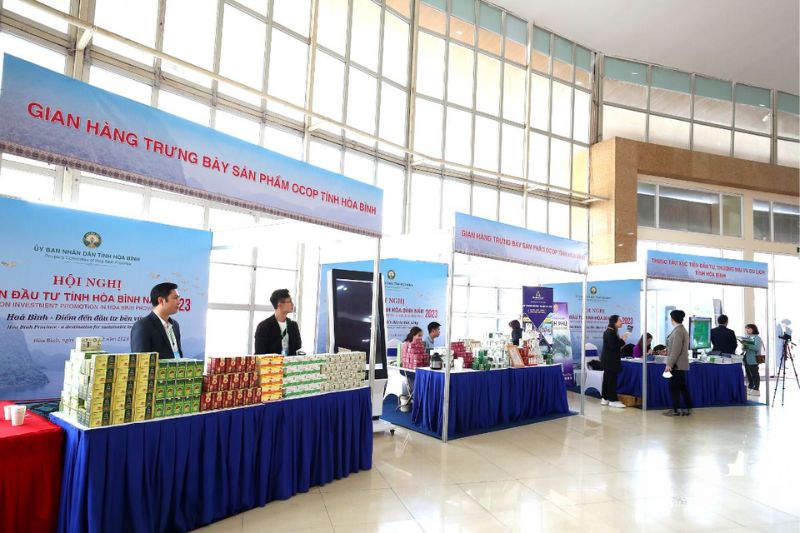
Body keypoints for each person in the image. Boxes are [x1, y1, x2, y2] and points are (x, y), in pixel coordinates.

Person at [130, 282, 184, 360]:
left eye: (179, 298)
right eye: (175, 298)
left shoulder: (175, 325)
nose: (179, 302)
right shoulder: (143, 326)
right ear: (161, 300)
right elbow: (141, 362)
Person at [254, 289, 301, 355]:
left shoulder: (293, 325)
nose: (292, 304)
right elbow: (259, 352)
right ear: (280, 304)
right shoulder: (264, 326)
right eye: (289, 301)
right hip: (271, 364)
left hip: (290, 363)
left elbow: (298, 346)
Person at [664, 310, 693, 416]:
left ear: (673, 319)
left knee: (674, 388)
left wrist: (669, 364)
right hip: (680, 364)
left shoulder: (678, 331)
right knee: (681, 386)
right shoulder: (680, 330)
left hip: (677, 365)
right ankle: (688, 406)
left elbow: (676, 350)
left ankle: (675, 409)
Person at [600, 315, 630, 408]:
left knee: (607, 379)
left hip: (609, 359)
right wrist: (623, 340)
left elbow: (614, 345)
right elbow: (614, 347)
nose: (622, 322)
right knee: (611, 380)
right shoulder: (610, 332)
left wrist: (620, 340)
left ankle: (605, 398)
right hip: (610, 360)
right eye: (620, 321)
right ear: (614, 322)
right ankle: (613, 400)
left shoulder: (612, 331)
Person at [741, 324, 762, 396]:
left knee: (755, 374)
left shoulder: (757, 338)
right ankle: (750, 386)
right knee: (748, 374)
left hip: (753, 358)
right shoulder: (747, 337)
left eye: (749, 328)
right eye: (746, 328)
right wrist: (744, 346)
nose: (747, 330)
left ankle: (756, 388)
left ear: (753, 329)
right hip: (746, 357)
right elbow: (744, 349)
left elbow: (756, 348)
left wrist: (748, 345)